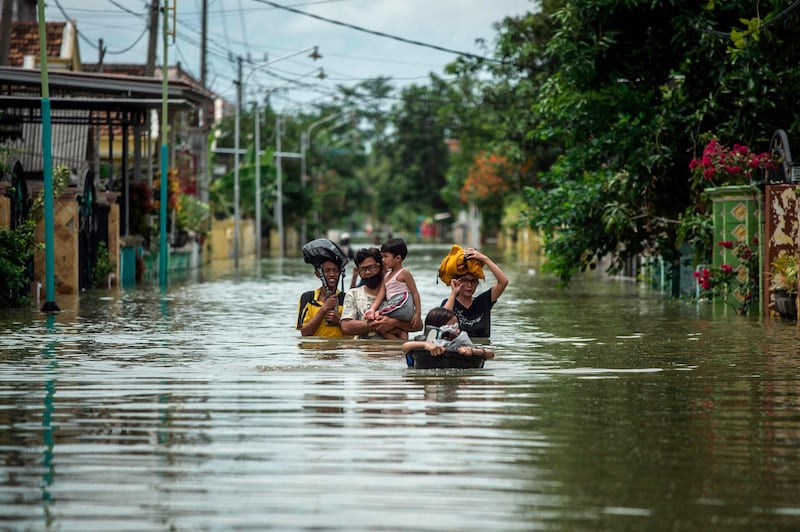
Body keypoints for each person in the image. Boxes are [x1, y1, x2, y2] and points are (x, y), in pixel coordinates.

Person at [341, 247, 421, 339]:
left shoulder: (396, 293)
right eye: (362, 269)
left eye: (371, 267)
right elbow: (346, 327)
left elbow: (418, 326)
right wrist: (376, 324)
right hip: (364, 351)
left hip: (394, 352)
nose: (367, 272)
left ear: (382, 266)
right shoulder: (353, 294)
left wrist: (394, 323)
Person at [438, 245, 508, 338]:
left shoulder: (483, 301)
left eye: (473, 281)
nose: (470, 285)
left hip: (482, 349)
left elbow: (503, 282)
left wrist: (485, 259)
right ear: (456, 282)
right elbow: (441, 322)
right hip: (458, 349)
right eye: (464, 280)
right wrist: (453, 293)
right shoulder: (448, 303)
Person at [363, 238, 422, 339]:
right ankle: (399, 343)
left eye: (386, 257)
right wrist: (372, 308)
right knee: (380, 326)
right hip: (395, 307)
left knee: (377, 316)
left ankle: (378, 314)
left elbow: (415, 293)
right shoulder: (386, 276)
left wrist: (418, 313)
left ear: (398, 258)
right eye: (382, 257)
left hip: (403, 304)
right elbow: (381, 294)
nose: (383, 260)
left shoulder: (404, 273)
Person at [401, 307, 495, 360]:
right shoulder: (425, 342)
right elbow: (405, 347)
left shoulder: (460, 341)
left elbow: (491, 354)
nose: (457, 330)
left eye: (456, 326)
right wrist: (426, 345)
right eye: (452, 327)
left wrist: (473, 351)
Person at [296, 258, 345, 337]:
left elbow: (354, 331)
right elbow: (305, 333)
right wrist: (324, 309)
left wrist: (338, 321)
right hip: (315, 348)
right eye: (327, 271)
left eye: (335, 271)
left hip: (339, 348)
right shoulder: (308, 298)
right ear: (318, 274)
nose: (332, 274)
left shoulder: (346, 298)